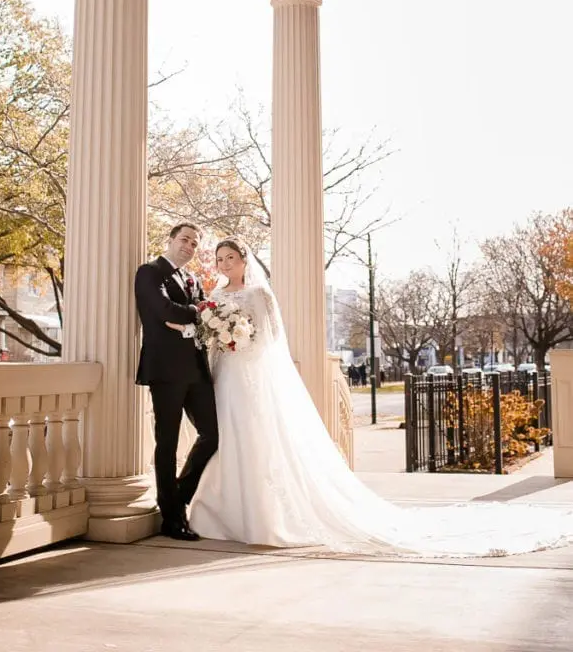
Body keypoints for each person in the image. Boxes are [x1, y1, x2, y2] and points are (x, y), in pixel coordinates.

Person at [166, 237, 573, 558]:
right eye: (219, 260)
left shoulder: (260, 295)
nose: (223, 265)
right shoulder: (214, 297)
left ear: (244, 259)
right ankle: (217, 512)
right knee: (225, 440)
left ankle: (259, 517)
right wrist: (222, 338)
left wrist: (242, 340)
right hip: (224, 376)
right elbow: (206, 337)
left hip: (252, 374)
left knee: (255, 439)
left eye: (229, 258)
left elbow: (272, 341)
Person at [135, 222, 218, 541]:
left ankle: (178, 497)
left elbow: (195, 319)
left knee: (213, 433)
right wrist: (194, 312)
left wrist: (187, 317)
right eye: (185, 239)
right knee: (166, 443)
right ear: (170, 240)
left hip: (196, 369)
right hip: (166, 370)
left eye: (195, 243)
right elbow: (162, 310)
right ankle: (171, 519)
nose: (189, 246)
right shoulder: (149, 272)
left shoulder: (193, 278)